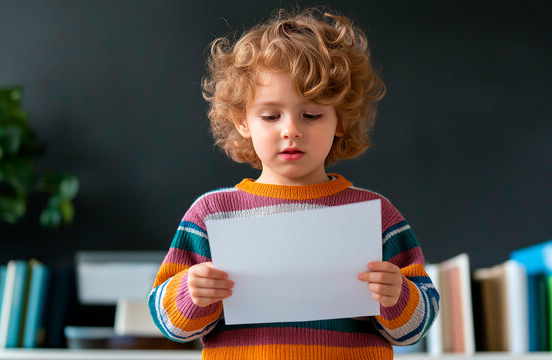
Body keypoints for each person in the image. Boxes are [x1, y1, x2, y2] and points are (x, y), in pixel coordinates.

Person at [148, 7, 439, 359]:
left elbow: (417, 327)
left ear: (340, 120)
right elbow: (168, 323)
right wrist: (191, 293)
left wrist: (399, 296)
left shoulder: (375, 214)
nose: (291, 130)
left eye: (312, 114)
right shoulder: (212, 213)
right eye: (271, 116)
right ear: (242, 120)